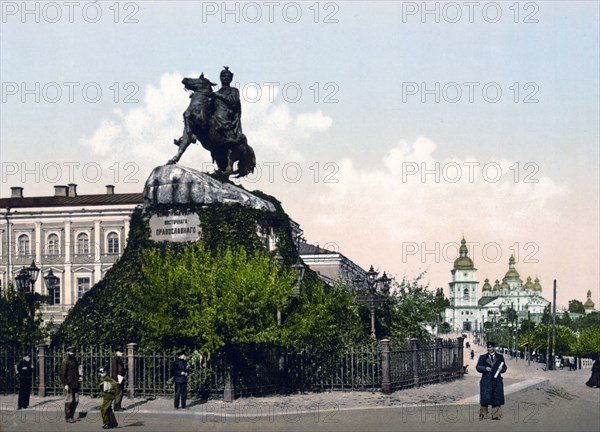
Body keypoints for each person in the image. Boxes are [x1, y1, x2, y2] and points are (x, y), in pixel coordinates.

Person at [210, 66, 244, 145]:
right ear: (220, 78)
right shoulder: (217, 92)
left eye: (228, 77)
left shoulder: (234, 90)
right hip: (216, 115)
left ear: (231, 79)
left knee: (220, 115)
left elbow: (234, 102)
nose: (226, 78)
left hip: (228, 114)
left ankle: (231, 135)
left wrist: (218, 95)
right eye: (224, 76)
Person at [476, 341, 507, 420]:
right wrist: (485, 368)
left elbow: (504, 368)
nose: (489, 349)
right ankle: (483, 414)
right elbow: (478, 367)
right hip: (486, 381)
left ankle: (496, 415)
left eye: (490, 347)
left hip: (497, 381)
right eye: (488, 347)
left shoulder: (500, 357)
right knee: (485, 399)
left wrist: (501, 369)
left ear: (494, 348)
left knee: (496, 398)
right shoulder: (482, 357)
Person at [60, 346, 82, 423]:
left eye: (73, 352)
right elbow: (63, 374)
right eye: (71, 352)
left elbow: (77, 371)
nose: (73, 353)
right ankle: (68, 417)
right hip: (69, 383)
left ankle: (71, 416)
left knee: (76, 400)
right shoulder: (65, 361)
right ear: (68, 352)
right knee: (69, 400)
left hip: (75, 383)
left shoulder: (75, 360)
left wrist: (79, 377)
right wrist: (65, 384)